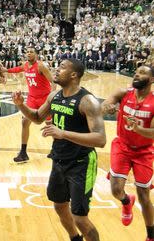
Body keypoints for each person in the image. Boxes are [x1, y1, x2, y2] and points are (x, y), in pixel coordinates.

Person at [12, 59, 106, 241]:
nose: (56, 69)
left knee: (80, 218)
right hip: (59, 160)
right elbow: (38, 117)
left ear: (73, 75)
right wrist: (21, 105)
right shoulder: (55, 96)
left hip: (82, 163)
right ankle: (75, 239)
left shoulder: (87, 101)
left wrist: (63, 133)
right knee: (59, 206)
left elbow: (100, 139)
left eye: (62, 67)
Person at [101, 65, 154, 241]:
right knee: (116, 190)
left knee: (144, 195)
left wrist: (138, 128)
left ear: (152, 79)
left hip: (144, 151)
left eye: (143, 73)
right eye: (137, 71)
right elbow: (104, 104)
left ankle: (151, 236)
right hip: (122, 146)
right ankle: (126, 201)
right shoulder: (123, 93)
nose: (137, 74)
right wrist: (107, 107)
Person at [4, 45, 55, 162]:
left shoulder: (41, 66)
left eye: (31, 52)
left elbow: (52, 81)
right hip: (32, 98)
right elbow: (18, 69)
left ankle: (56, 149)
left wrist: (51, 97)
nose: (29, 53)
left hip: (44, 99)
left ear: (36, 54)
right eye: (27, 52)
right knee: (24, 122)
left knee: (49, 125)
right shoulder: (26, 65)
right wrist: (6, 70)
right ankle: (23, 152)